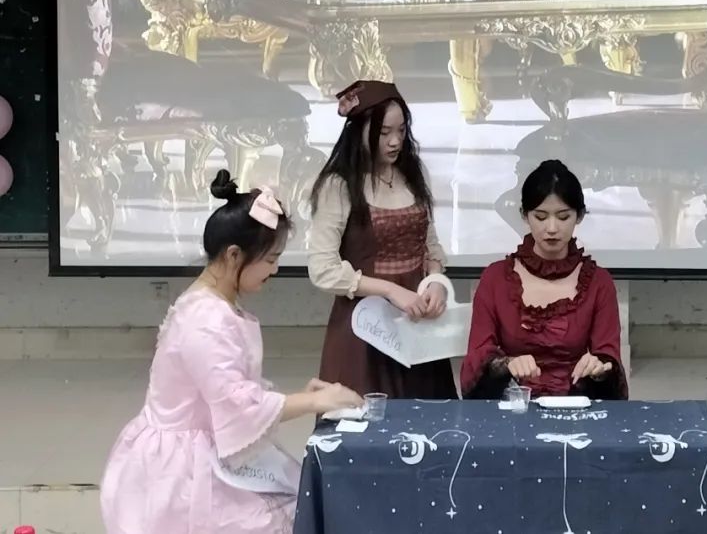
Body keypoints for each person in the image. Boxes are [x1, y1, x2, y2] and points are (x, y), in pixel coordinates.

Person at [100, 171, 364, 534]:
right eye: (270, 259)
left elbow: (231, 393)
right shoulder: (207, 318)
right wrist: (315, 401)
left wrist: (301, 397)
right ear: (234, 255)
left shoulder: (211, 303)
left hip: (198, 448)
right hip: (184, 471)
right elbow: (236, 403)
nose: (275, 270)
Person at [308, 80, 458, 399]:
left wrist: (435, 282)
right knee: (365, 416)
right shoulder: (339, 185)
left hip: (417, 323)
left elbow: (429, 245)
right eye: (384, 132)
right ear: (359, 131)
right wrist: (391, 290)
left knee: (427, 416)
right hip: (366, 327)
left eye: (401, 131)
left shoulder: (413, 174)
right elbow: (323, 269)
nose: (395, 141)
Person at [461, 159, 628, 400]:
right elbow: (477, 355)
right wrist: (506, 364)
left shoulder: (598, 282)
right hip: (513, 406)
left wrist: (598, 368)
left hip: (576, 408)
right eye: (540, 217)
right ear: (524, 215)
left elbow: (608, 356)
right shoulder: (495, 279)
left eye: (563, 217)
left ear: (579, 216)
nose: (551, 228)